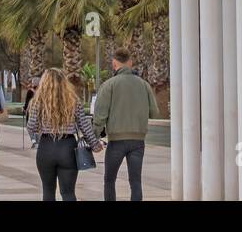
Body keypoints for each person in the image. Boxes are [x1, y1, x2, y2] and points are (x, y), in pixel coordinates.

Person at [26, 68, 102, 201]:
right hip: (68, 148)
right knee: (68, 193)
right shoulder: (73, 100)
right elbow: (84, 125)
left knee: (48, 191)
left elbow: (31, 126)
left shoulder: (39, 101)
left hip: (46, 147)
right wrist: (95, 144)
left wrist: (41, 128)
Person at [92, 49, 159, 201]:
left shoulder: (109, 85)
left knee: (109, 180)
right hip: (138, 141)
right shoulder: (144, 85)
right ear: (130, 63)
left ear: (114, 64)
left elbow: (100, 117)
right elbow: (154, 112)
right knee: (135, 182)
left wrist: (93, 138)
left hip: (116, 141)